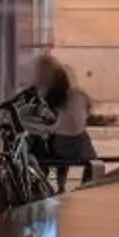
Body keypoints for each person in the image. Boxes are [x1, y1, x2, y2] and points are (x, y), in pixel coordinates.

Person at [20, 53, 96, 187]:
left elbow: (43, 124)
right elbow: (87, 114)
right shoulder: (78, 95)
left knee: (42, 143)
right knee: (80, 141)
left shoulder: (46, 97)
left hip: (57, 147)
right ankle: (77, 185)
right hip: (81, 149)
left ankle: (50, 184)